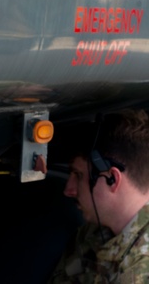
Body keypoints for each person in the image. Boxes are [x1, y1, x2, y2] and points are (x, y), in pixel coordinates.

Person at [47, 109, 149, 283]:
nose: (69, 190)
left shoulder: (138, 273)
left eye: (78, 175)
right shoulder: (94, 231)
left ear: (112, 179)